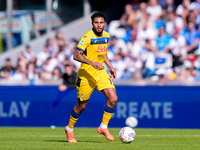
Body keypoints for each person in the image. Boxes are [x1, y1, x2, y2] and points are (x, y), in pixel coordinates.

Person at [64, 12, 118, 143]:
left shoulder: (106, 35)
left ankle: (103, 127)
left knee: (113, 98)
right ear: (92, 23)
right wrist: (92, 63)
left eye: (101, 23)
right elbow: (76, 55)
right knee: (82, 106)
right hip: (86, 75)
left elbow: (102, 52)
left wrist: (110, 66)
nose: (99, 25)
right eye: (96, 23)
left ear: (105, 23)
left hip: (101, 73)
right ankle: (69, 129)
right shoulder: (87, 37)